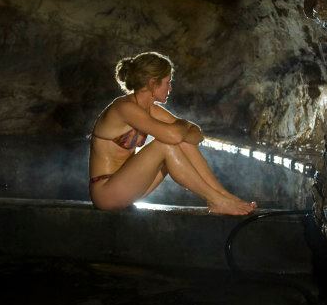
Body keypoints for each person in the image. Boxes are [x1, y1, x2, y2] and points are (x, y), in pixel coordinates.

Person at [88, 52, 256, 216]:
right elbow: (175, 135)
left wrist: (180, 130)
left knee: (179, 140)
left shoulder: (150, 109)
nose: (170, 88)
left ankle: (223, 195)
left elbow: (197, 136)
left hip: (129, 187)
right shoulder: (124, 108)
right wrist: (182, 126)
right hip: (106, 192)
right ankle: (215, 200)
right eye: (167, 82)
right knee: (166, 143)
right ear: (153, 83)